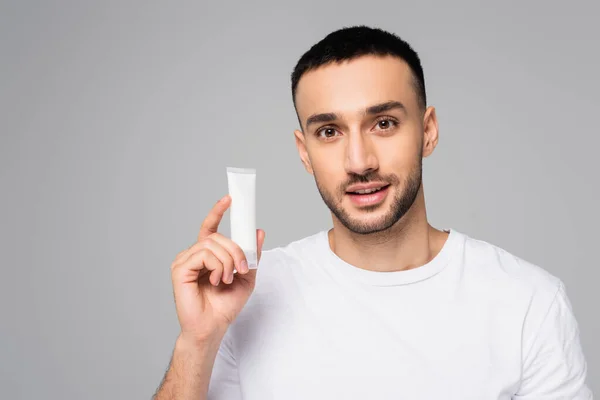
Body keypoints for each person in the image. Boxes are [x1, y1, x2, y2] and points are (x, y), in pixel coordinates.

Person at [153, 26, 592, 399]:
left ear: (428, 131)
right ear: (304, 153)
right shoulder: (243, 300)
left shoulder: (528, 303)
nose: (359, 161)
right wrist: (197, 343)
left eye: (383, 123)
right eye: (329, 131)